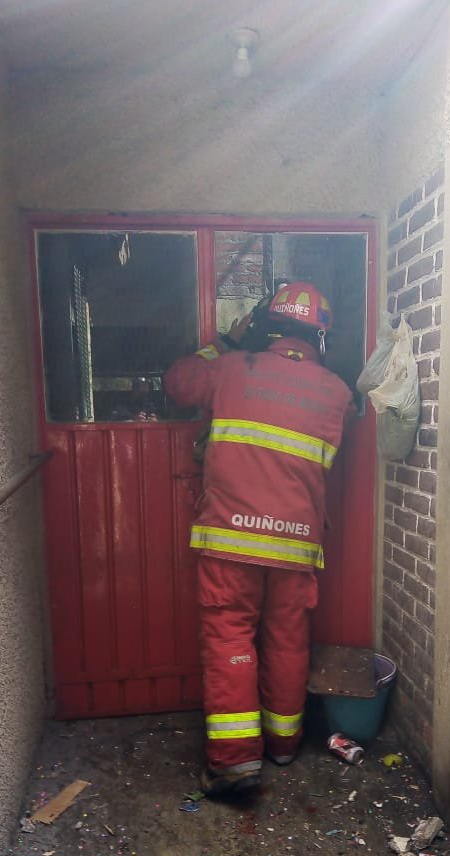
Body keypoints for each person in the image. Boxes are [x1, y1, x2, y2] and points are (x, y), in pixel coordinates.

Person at [164, 282, 354, 797]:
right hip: (295, 546)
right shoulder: (338, 393)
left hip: (231, 540)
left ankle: (234, 764)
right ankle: (284, 744)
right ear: (320, 337)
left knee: (230, 639)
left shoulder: (230, 368)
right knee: (288, 640)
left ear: (267, 326)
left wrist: (226, 341)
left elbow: (177, 382)